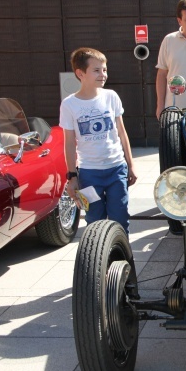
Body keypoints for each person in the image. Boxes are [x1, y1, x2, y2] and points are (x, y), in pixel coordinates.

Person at [60, 47, 137, 234]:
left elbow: (122, 132)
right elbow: (69, 143)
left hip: (116, 169)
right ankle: (98, 260)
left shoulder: (111, 97)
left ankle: (123, 259)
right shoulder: (69, 104)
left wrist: (130, 164)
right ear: (80, 73)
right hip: (89, 174)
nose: (103, 74)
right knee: (95, 222)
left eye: (104, 69)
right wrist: (72, 176)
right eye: (96, 70)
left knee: (120, 219)